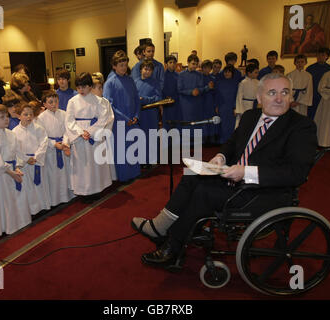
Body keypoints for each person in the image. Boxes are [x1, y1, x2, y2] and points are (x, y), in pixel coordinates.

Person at [131, 73, 318, 269]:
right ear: (260, 97)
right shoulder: (250, 116)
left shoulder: (301, 126)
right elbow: (232, 144)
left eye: (284, 92)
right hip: (235, 179)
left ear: (290, 97)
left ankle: (173, 248)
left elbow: (296, 173)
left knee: (204, 193)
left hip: (263, 193)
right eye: (272, 92)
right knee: (192, 175)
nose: (279, 98)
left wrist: (245, 172)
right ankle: (160, 226)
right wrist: (221, 156)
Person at [0, 104, 32, 236]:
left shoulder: (11, 134)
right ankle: (7, 226)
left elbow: (17, 152)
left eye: (6, 116)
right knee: (6, 200)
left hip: (12, 171)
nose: (6, 119)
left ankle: (20, 222)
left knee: (17, 198)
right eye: (1, 117)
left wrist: (17, 167)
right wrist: (11, 172)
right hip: (2, 174)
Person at [65, 72, 113, 199]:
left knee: (95, 164)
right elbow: (69, 120)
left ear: (90, 86)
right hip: (79, 136)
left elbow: (104, 118)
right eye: (78, 87)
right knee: (82, 166)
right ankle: (83, 191)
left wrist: (90, 132)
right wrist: (80, 132)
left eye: (84, 87)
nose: (81, 90)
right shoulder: (72, 101)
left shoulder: (98, 101)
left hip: (93, 136)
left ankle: (97, 188)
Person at [103, 50, 141, 182]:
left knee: (132, 147)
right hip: (119, 122)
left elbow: (136, 99)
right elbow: (109, 105)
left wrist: (136, 115)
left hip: (132, 120)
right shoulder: (110, 82)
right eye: (121, 65)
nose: (124, 68)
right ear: (114, 66)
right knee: (121, 150)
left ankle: (133, 173)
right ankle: (123, 176)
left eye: (125, 65)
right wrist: (125, 119)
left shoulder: (130, 80)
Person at [12, 103, 51, 215]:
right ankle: (32, 210)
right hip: (25, 164)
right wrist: (25, 159)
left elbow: (44, 143)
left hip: (36, 161)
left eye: (31, 114)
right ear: (19, 116)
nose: (29, 117)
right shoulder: (15, 132)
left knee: (40, 185)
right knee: (28, 187)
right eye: (25, 114)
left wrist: (36, 157)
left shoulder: (39, 129)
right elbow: (15, 149)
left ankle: (42, 206)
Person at [37, 90, 74, 206]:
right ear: (44, 104)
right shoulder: (41, 118)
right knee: (53, 175)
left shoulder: (63, 114)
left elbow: (67, 130)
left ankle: (69, 195)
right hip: (51, 150)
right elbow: (42, 137)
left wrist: (65, 142)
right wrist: (53, 144)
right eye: (50, 102)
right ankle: (56, 199)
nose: (53, 104)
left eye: (56, 101)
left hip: (63, 146)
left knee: (66, 172)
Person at [135, 59, 163, 165]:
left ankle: (152, 159)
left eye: (150, 70)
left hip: (151, 114)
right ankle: (141, 160)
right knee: (140, 137)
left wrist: (145, 99)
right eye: (145, 69)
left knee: (151, 136)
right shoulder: (135, 82)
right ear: (141, 69)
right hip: (139, 114)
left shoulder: (155, 83)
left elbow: (158, 97)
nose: (147, 72)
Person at [178, 54, 207, 139]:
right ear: (188, 63)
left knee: (197, 122)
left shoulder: (199, 75)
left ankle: (197, 141)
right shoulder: (181, 74)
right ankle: (187, 142)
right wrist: (191, 92)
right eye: (193, 63)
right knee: (187, 122)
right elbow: (179, 89)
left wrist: (198, 91)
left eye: (196, 64)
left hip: (197, 102)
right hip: (185, 103)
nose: (195, 66)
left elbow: (201, 88)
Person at [306, 47, 330, 120]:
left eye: (323, 55)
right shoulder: (310, 68)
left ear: (327, 56)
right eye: (318, 55)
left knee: (323, 117)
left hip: (324, 96)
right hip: (312, 95)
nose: (320, 57)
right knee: (311, 115)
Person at [215, 65, 239, 144]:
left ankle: (230, 142)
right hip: (222, 106)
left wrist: (235, 107)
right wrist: (217, 106)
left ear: (232, 73)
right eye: (225, 72)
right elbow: (217, 95)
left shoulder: (236, 83)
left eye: (229, 72)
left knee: (231, 125)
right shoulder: (219, 82)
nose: (227, 73)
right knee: (223, 124)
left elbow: (237, 96)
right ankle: (222, 141)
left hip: (231, 107)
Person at [162, 55, 181, 131]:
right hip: (167, 103)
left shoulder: (179, 75)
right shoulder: (163, 76)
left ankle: (176, 141)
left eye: (174, 62)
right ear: (166, 64)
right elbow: (161, 90)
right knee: (167, 124)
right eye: (170, 62)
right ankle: (167, 141)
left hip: (177, 103)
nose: (172, 64)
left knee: (177, 124)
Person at [200, 60, 216, 142]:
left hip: (211, 102)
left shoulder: (213, 78)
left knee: (212, 119)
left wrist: (212, 89)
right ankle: (204, 138)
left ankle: (211, 137)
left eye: (209, 68)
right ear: (202, 68)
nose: (207, 70)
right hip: (202, 101)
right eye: (205, 68)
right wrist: (207, 88)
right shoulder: (199, 78)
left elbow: (216, 92)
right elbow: (199, 90)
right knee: (203, 120)